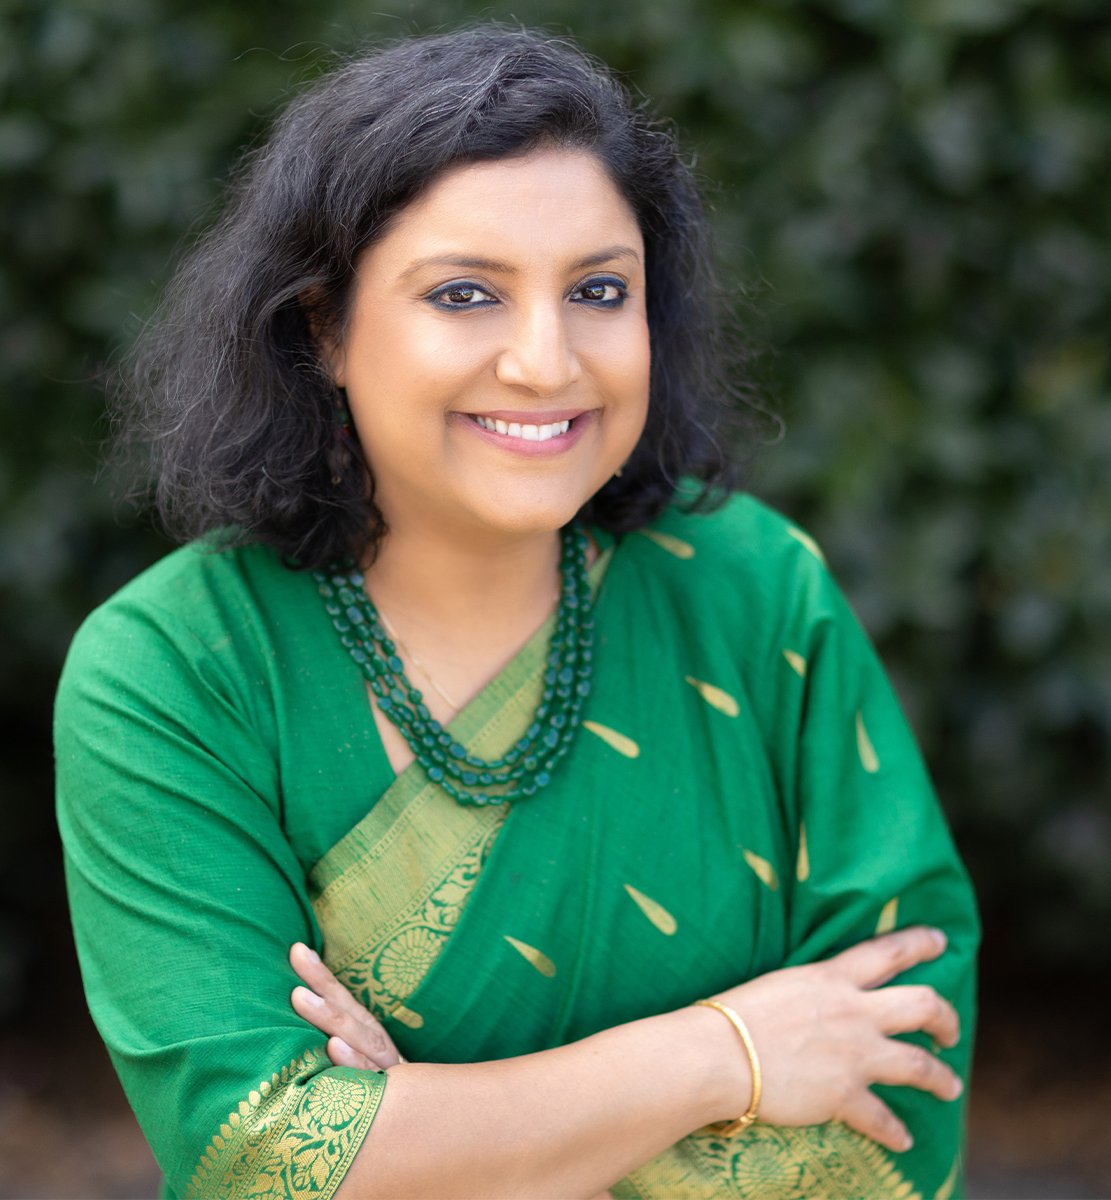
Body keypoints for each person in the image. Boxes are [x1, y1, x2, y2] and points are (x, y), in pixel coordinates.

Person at [55, 27, 979, 1200]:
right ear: (323, 328)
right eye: (465, 295)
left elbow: (903, 1065)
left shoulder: (750, 588)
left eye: (599, 290)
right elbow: (265, 1157)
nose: (547, 363)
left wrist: (430, 1132)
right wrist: (730, 1054)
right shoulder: (177, 672)